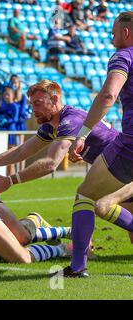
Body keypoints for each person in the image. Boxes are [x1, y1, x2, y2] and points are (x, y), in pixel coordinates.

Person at [63, 12, 133, 277]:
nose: (111, 37)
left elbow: (108, 94)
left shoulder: (123, 56)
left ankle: (78, 266)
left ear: (126, 33)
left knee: (86, 195)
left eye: (114, 32)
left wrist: (82, 133)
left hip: (130, 146)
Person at [0, 80, 119, 198]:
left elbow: (50, 164)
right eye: (31, 104)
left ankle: (47, 226)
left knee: (86, 199)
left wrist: (9, 181)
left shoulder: (70, 121)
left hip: (123, 162)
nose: (33, 109)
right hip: (116, 168)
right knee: (93, 202)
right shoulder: (51, 124)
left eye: (37, 103)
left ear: (54, 100)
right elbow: (21, 151)